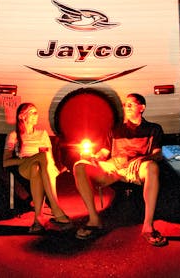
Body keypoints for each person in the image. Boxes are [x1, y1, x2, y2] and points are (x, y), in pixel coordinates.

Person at [72, 93, 168, 246]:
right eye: (125, 104)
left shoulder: (153, 129)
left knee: (152, 167)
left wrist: (143, 159)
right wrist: (93, 156)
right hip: (114, 167)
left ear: (142, 108)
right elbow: (104, 153)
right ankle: (94, 219)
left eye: (131, 104)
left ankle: (148, 226)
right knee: (80, 165)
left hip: (136, 167)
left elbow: (158, 154)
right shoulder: (115, 130)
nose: (126, 107)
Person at [3, 102, 72, 233]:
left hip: (40, 168)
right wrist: (27, 159)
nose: (37, 115)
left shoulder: (42, 134)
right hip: (24, 167)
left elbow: (49, 158)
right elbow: (6, 162)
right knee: (40, 158)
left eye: (37, 112)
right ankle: (56, 210)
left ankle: (37, 220)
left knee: (38, 166)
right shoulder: (13, 136)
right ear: (22, 116)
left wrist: (53, 170)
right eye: (33, 112)